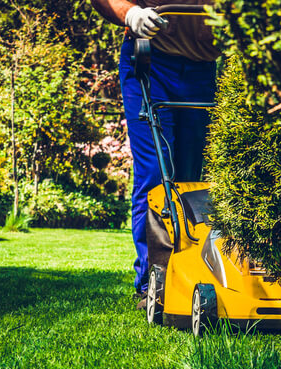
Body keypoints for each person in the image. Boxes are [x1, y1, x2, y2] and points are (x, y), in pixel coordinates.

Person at [90, 0, 220, 307]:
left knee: (189, 178)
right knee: (154, 173)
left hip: (202, 68)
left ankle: (189, 271)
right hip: (150, 63)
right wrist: (130, 14)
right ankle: (152, 281)